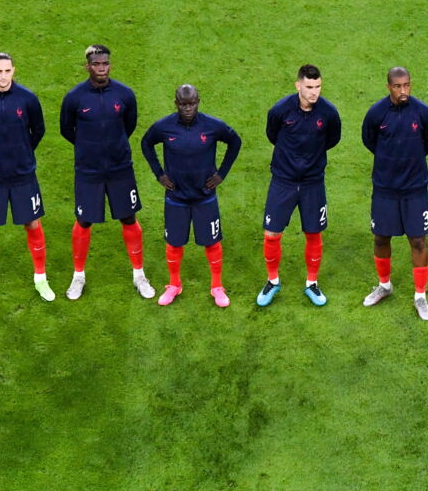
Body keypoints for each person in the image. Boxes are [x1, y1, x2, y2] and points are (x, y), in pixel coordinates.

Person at [59, 45, 151, 300]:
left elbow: (128, 125)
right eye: (97, 64)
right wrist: (89, 148)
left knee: (129, 218)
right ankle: (78, 276)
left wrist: (113, 146)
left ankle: (139, 275)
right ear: (87, 66)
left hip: (120, 169)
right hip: (88, 171)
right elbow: (67, 130)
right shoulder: (74, 98)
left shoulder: (124, 94)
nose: (102, 68)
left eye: (105, 63)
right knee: (84, 221)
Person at [140, 84, 242, 308]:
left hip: (205, 196)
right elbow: (146, 143)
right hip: (176, 197)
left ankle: (217, 286)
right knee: (174, 244)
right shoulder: (164, 127)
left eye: (192, 103)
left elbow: (235, 141)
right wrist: (159, 174)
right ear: (176, 103)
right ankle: (174, 285)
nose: (188, 108)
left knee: (212, 243)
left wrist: (221, 173)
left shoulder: (212, 126)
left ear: (198, 102)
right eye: (183, 104)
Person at [0, 52, 51, 303]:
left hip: (23, 174)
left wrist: (22, 150)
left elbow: (39, 130)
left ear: (14, 71)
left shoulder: (27, 99)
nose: (3, 76)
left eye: (7, 71)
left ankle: (41, 279)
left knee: (32, 224)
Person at [256, 64, 341, 307]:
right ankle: (273, 281)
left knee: (313, 233)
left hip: (313, 182)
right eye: (309, 87)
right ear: (298, 86)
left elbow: (332, 139)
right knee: (272, 233)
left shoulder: (329, 113)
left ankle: (311, 283)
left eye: (318, 87)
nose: (314, 92)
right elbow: (272, 134)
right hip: (283, 181)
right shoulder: (281, 110)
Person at [361, 66, 428, 320]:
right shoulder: (376, 113)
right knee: (381, 237)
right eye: (397, 86)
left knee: (418, 240)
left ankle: (420, 297)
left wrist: (411, 159)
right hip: (385, 188)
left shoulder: (423, 112)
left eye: (407, 85)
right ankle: (384, 285)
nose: (403, 90)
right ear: (388, 87)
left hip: (415, 188)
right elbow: (369, 141)